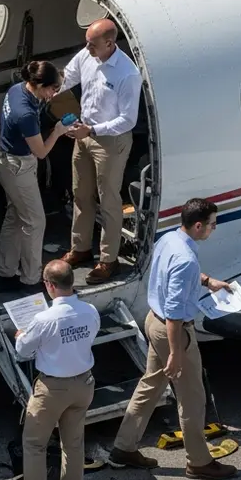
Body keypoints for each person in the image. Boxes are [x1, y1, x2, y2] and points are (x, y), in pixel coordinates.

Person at [108, 197, 237, 480]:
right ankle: (199, 462)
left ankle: (124, 447)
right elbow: (176, 313)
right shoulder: (187, 259)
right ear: (199, 225)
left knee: (151, 384)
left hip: (153, 321)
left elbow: (172, 276)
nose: (214, 229)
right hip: (173, 330)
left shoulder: (170, 239)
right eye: (213, 225)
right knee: (192, 398)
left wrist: (206, 281)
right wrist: (177, 352)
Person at [57, 18, 143, 285]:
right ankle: (80, 248)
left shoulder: (127, 74)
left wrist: (92, 131)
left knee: (109, 201)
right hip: (84, 134)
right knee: (81, 193)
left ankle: (109, 260)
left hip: (110, 142)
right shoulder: (87, 54)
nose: (87, 48)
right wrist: (43, 90)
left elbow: (128, 120)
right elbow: (67, 77)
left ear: (109, 43)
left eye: (92, 44)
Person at [10, 260, 100, 480]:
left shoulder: (44, 318)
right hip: (83, 383)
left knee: (34, 445)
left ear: (49, 285)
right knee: (73, 445)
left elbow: (23, 351)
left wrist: (21, 336)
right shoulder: (90, 310)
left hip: (52, 389)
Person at [0, 60, 79, 294]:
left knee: (15, 216)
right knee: (35, 221)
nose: (53, 94)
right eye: (52, 89)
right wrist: (58, 131)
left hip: (5, 161)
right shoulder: (26, 114)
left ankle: (4, 272)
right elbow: (41, 152)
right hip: (19, 168)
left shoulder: (16, 90)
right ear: (40, 85)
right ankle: (30, 279)